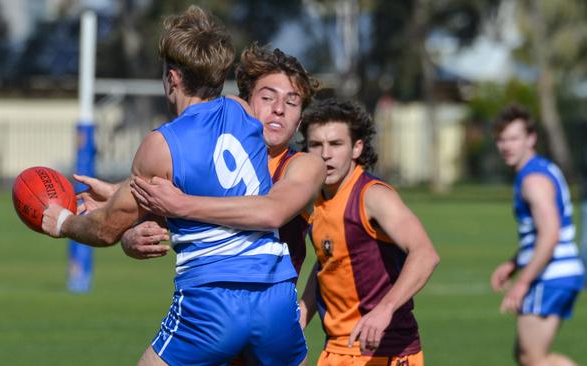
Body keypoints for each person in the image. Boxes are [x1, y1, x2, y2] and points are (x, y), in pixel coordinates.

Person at [41, 6, 307, 366]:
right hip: (275, 294)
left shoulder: (161, 145)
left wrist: (62, 222)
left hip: (212, 299)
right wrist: (122, 192)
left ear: (172, 78)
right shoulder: (244, 114)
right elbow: (211, 175)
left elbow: (105, 231)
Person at [125, 43, 323, 278]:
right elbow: (157, 208)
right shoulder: (212, 155)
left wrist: (181, 205)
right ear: (245, 105)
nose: (279, 109)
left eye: (291, 102)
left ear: (299, 122)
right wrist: (132, 236)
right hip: (207, 299)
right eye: (268, 97)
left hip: (266, 306)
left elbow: (272, 212)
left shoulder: (305, 166)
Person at [298, 98, 439, 366]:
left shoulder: (371, 196)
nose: (325, 154)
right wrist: (303, 312)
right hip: (336, 351)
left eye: (336, 144)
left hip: (385, 351)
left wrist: (385, 309)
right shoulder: (314, 200)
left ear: (356, 148)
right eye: (316, 144)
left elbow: (425, 254)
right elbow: (329, 262)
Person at [490, 104, 584, 366]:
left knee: (532, 357)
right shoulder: (538, 170)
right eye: (501, 139)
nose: (506, 145)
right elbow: (537, 235)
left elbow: (550, 235)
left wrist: (523, 282)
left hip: (552, 274)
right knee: (527, 356)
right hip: (556, 273)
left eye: (513, 138)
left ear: (531, 139)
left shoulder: (533, 180)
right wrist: (513, 263)